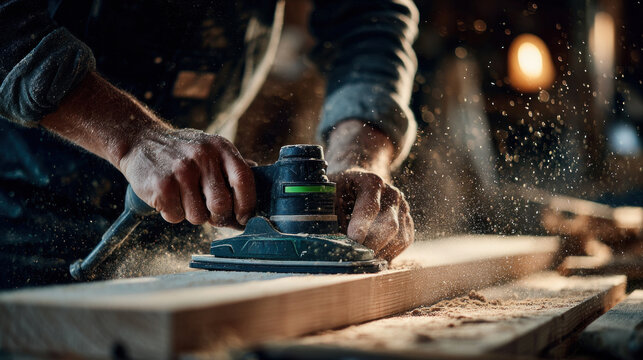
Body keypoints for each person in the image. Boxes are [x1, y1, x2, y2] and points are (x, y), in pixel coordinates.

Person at [0, 0, 418, 288]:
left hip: (190, 219)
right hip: (22, 210)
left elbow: (370, 18)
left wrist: (359, 155)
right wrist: (130, 137)